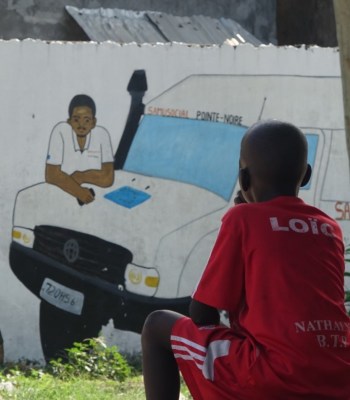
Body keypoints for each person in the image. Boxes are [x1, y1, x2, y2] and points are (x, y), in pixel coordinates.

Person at [141, 120, 350, 399]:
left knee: (156, 325)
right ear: (306, 175)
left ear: (243, 178)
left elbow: (202, 313)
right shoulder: (329, 227)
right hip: (338, 376)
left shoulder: (242, 218)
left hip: (273, 376)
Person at [45, 94, 114, 204]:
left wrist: (80, 176)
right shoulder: (60, 131)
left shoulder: (102, 134)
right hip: (60, 197)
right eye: (76, 120)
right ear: (69, 121)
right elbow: (51, 175)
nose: (81, 125)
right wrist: (79, 192)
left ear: (94, 122)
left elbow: (108, 178)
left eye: (87, 120)